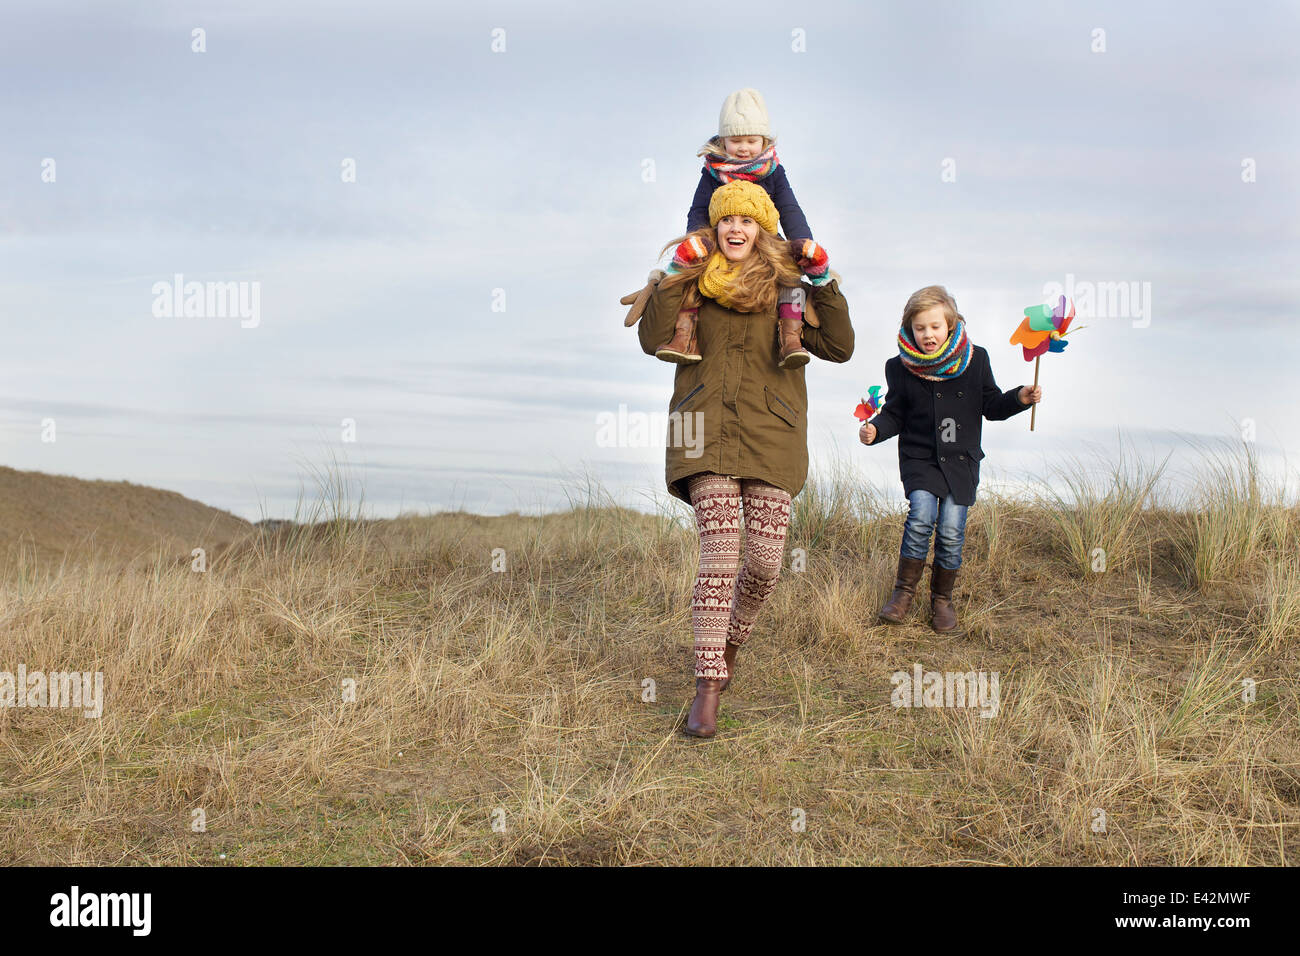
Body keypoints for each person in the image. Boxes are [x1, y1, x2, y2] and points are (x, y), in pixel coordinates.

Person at [638, 179, 854, 737]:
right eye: (726, 220)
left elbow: (840, 345)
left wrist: (824, 279)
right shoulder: (692, 283)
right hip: (699, 428)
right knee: (720, 553)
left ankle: (730, 643)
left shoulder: (789, 288)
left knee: (763, 563)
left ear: (762, 230)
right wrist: (674, 273)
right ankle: (707, 684)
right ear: (715, 229)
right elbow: (652, 338)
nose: (736, 229)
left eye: (747, 221)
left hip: (772, 433)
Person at [859, 285, 1042, 633]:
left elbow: (991, 406)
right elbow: (894, 413)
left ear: (951, 324)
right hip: (920, 458)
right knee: (921, 516)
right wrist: (876, 431)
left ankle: (942, 600)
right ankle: (902, 594)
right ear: (909, 330)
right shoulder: (899, 367)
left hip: (960, 460)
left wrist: (1019, 397)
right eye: (920, 328)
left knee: (951, 530)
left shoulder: (976, 360)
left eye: (935, 327)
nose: (928, 334)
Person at [652, 87, 830, 369]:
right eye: (736, 140)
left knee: (789, 276)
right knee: (692, 272)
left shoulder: (772, 171)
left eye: (752, 140)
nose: (744, 148)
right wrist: (696, 240)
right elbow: (699, 209)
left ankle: (790, 336)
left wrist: (802, 242)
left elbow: (789, 207)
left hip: (765, 239)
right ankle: (685, 334)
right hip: (718, 239)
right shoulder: (713, 172)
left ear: (765, 140)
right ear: (723, 140)